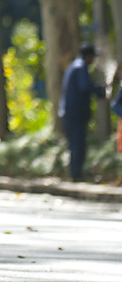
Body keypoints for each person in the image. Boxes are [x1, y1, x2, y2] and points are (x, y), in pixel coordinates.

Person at [59, 43, 103, 182]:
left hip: (70, 112)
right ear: (88, 56)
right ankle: (76, 174)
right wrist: (98, 90)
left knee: (75, 143)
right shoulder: (80, 67)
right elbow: (84, 87)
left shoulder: (73, 66)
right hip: (76, 113)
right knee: (78, 143)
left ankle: (75, 172)